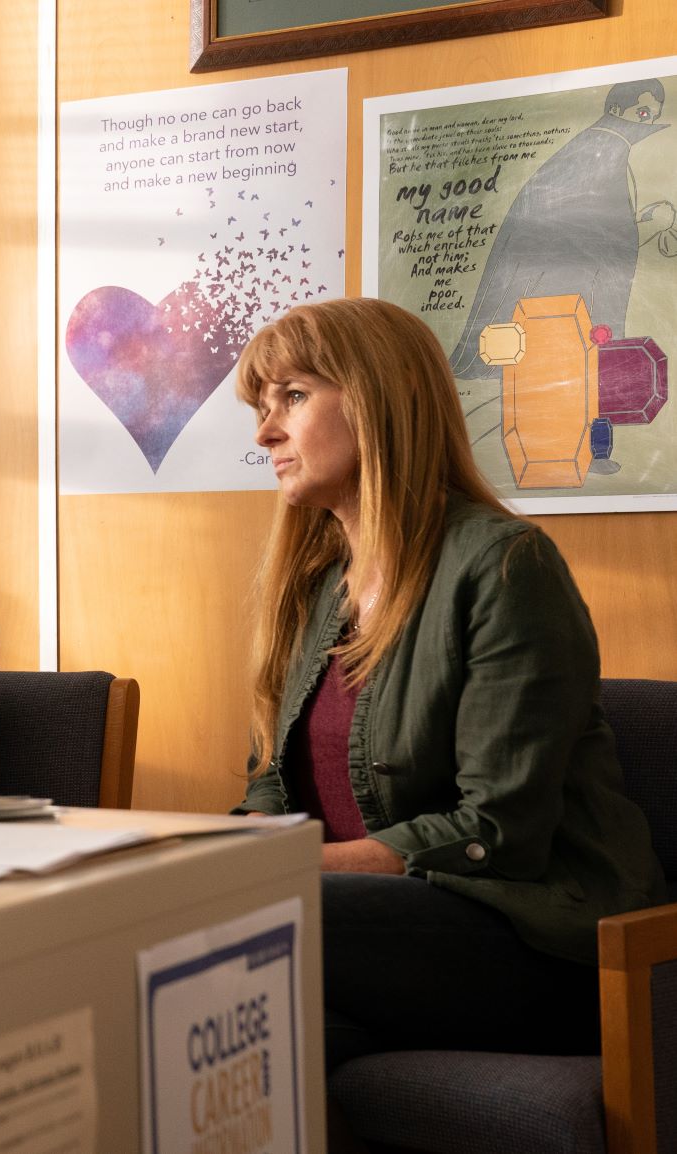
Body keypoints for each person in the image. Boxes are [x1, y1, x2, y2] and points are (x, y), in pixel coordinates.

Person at [232, 297, 664, 1076]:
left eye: (292, 397)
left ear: (378, 395)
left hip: (537, 938)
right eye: (263, 407)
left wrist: (280, 864)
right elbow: (272, 781)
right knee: (227, 1043)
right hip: (375, 935)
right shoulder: (319, 586)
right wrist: (239, 844)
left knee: (260, 920)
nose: (265, 431)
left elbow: (498, 829)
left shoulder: (505, 567)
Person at [450, 79, 676, 379]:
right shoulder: (599, 150)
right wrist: (655, 222)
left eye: (652, 115)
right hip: (556, 304)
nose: (646, 122)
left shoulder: (601, 148)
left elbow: (599, 232)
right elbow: (597, 241)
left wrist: (646, 222)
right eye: (643, 113)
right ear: (617, 109)